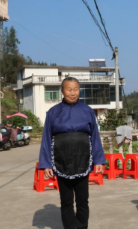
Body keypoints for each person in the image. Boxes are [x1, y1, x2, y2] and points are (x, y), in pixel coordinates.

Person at [38, 77, 105, 229]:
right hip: (61, 160)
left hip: (83, 159)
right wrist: (46, 163)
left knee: (83, 200)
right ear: (62, 91)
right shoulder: (53, 112)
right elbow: (46, 138)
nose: (73, 93)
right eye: (69, 89)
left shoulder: (87, 111)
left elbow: (95, 137)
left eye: (76, 89)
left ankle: (82, 226)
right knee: (66, 200)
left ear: (79, 90)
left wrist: (99, 160)